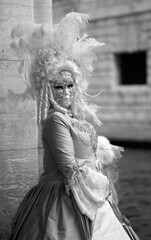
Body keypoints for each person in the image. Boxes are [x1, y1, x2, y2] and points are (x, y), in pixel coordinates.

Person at [8, 12, 140, 240]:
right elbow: (68, 166)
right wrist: (99, 183)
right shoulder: (55, 120)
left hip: (88, 189)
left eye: (70, 85)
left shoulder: (72, 118)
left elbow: (84, 151)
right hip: (67, 195)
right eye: (58, 87)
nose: (66, 92)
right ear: (48, 89)